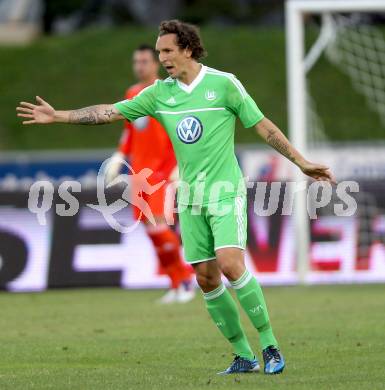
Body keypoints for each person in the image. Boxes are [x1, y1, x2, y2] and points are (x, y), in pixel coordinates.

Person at [16, 19, 335, 375]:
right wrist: (58, 116)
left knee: (230, 264)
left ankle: (271, 346)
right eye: (158, 52)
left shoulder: (223, 84)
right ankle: (243, 355)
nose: (162, 58)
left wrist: (301, 162)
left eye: (167, 51)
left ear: (187, 48)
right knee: (206, 278)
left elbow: (263, 126)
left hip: (224, 192)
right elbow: (109, 112)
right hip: (190, 199)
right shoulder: (157, 93)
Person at [104, 44, 194, 304]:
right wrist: (120, 156)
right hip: (139, 173)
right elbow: (130, 132)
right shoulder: (132, 93)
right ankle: (176, 283)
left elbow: (181, 130)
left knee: (158, 225)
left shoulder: (167, 92)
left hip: (162, 171)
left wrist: (180, 164)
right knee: (151, 229)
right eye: (136, 61)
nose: (139, 66)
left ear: (154, 64)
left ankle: (186, 279)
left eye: (144, 61)